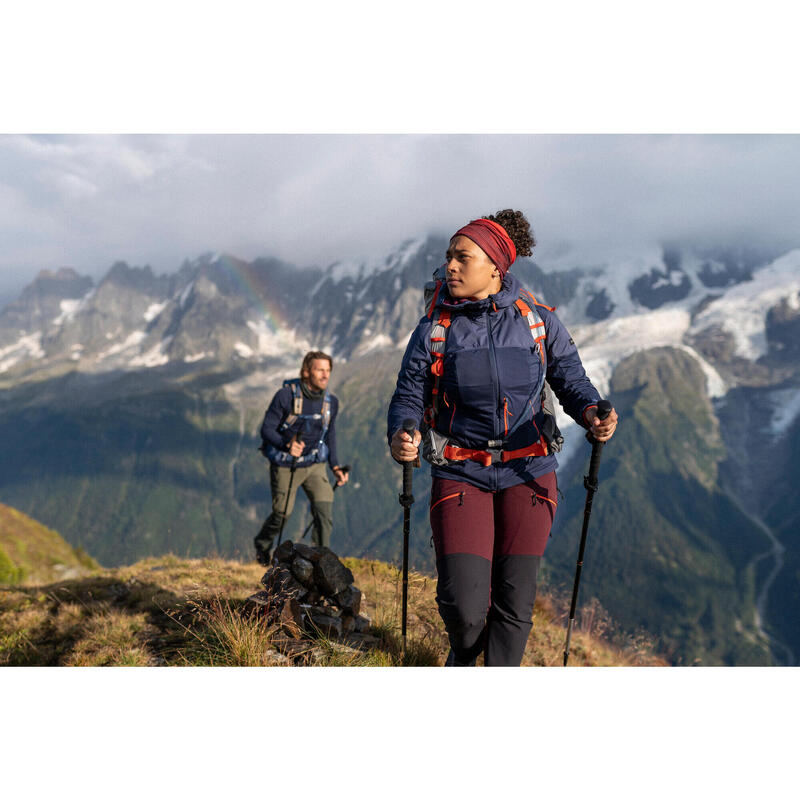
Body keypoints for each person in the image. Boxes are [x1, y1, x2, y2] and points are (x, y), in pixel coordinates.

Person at [387, 209, 618, 666]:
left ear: (495, 266)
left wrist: (593, 413)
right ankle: (463, 657)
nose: (449, 267)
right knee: (464, 609)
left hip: (529, 473)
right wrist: (402, 432)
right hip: (460, 473)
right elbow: (408, 395)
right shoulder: (435, 329)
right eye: (448, 258)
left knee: (514, 605)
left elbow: (572, 381)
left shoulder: (538, 321)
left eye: (462, 258)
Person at [255, 350, 349, 564]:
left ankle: (321, 563)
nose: (325, 375)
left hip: (315, 464)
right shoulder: (285, 396)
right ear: (306, 372)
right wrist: (286, 444)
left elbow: (330, 435)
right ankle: (262, 545)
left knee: (324, 512)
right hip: (285, 464)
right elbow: (266, 430)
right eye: (319, 370)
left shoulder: (330, 403)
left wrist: (335, 466)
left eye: (328, 370)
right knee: (282, 514)